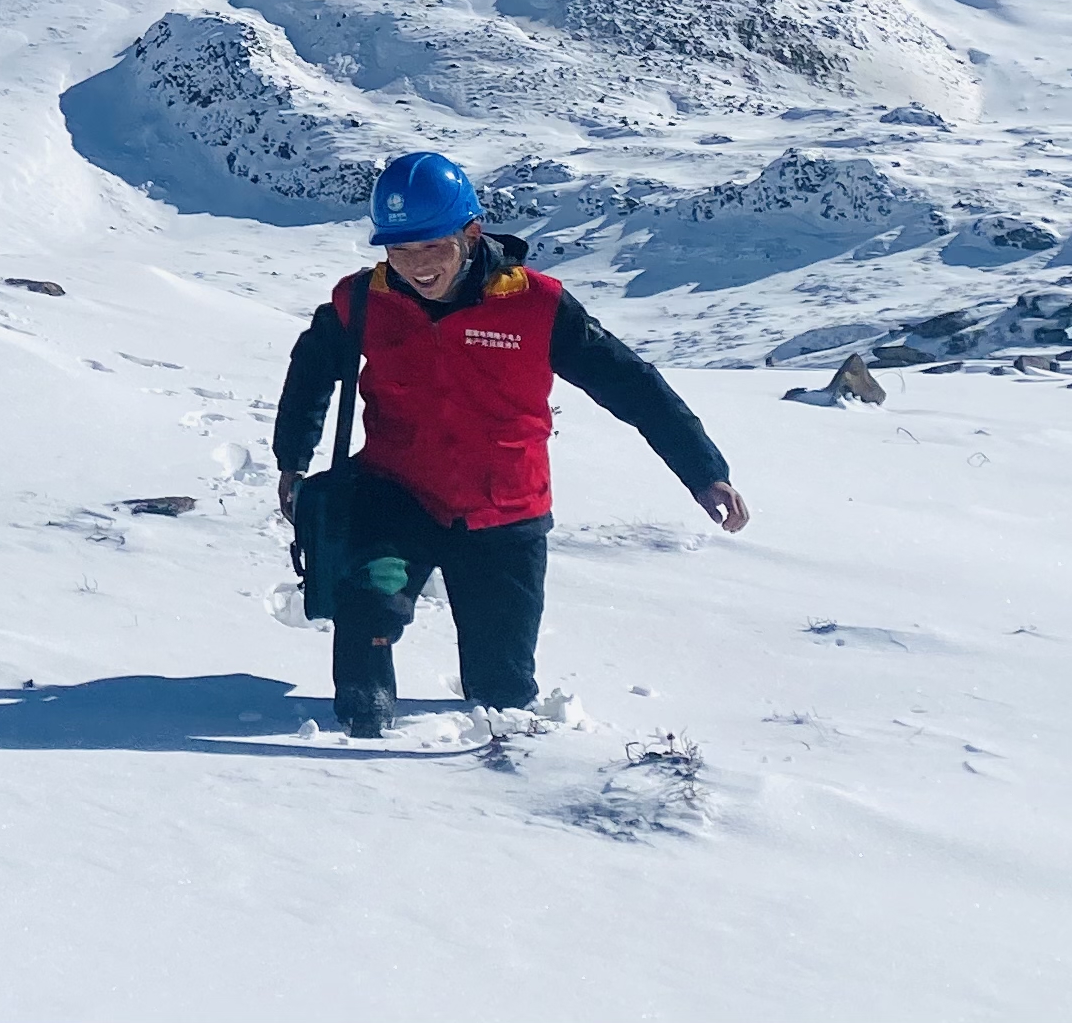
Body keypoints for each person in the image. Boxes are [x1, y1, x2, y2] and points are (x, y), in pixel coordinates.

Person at [273, 150, 751, 739]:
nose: (416, 266)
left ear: (470, 234)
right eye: (399, 250)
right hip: (393, 490)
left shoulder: (537, 304)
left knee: (501, 698)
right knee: (368, 598)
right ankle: (360, 728)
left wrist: (704, 470)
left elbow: (633, 385)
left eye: (432, 248)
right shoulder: (361, 300)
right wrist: (291, 461)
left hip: (505, 510)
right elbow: (310, 373)